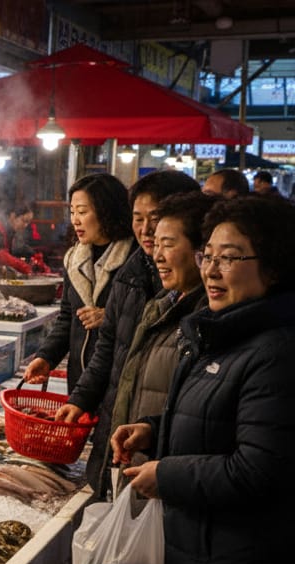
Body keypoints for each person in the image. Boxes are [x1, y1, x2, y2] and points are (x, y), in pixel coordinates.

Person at [111, 194, 295, 564]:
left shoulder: (275, 351)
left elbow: (259, 467)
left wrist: (167, 472)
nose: (212, 269)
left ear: (274, 267)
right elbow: (219, 424)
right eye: (209, 254)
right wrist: (155, 429)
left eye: (231, 256)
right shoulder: (227, 333)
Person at [56, 170, 200, 501]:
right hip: (120, 428)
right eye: (139, 218)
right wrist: (80, 399)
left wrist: (159, 443)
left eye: (158, 219)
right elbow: (110, 347)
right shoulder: (132, 273)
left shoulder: (203, 303)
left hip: (167, 458)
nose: (147, 230)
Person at [20, 173, 134, 393]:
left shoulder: (134, 259)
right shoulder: (74, 259)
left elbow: (148, 319)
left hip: (118, 382)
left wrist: (110, 316)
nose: (75, 220)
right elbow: (67, 318)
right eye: (72, 212)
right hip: (80, 381)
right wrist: (46, 357)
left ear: (107, 211)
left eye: (82, 212)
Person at [0, 202, 49, 276]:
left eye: (28, 222)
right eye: (24, 221)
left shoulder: (9, 231)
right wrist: (24, 267)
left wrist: (34, 255)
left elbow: (19, 247)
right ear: (13, 216)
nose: (25, 225)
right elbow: (2, 257)